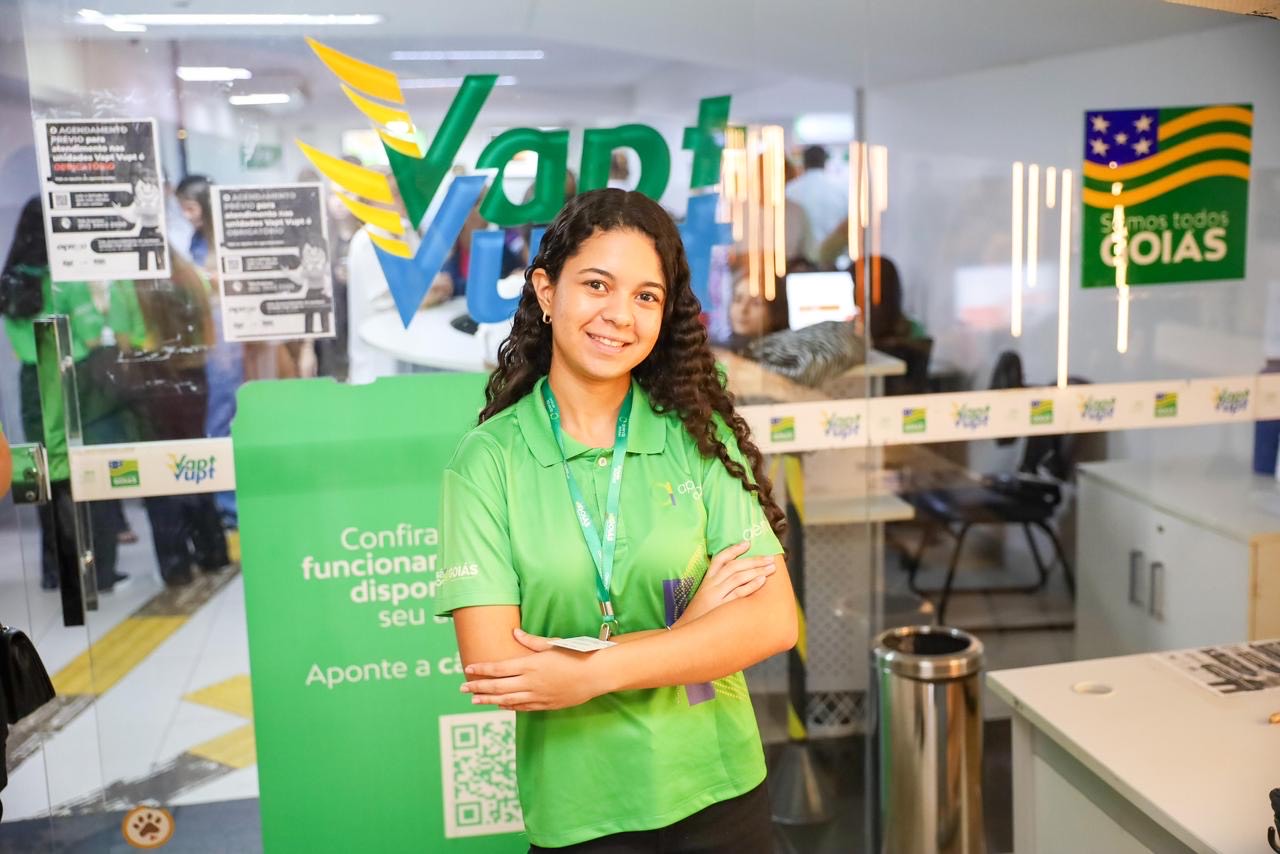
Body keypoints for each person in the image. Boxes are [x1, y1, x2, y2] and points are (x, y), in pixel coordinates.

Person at [434, 189, 797, 852]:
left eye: (646, 296)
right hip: (581, 807)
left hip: (720, 787)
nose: (619, 316)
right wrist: (692, 633)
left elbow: (773, 621)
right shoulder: (488, 461)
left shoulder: (696, 435)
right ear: (547, 291)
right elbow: (496, 665)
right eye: (597, 284)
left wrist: (588, 669)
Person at [785, 145, 847, 263]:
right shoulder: (840, 189)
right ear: (825, 161)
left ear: (804, 162)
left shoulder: (791, 190)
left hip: (800, 265)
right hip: (835, 263)